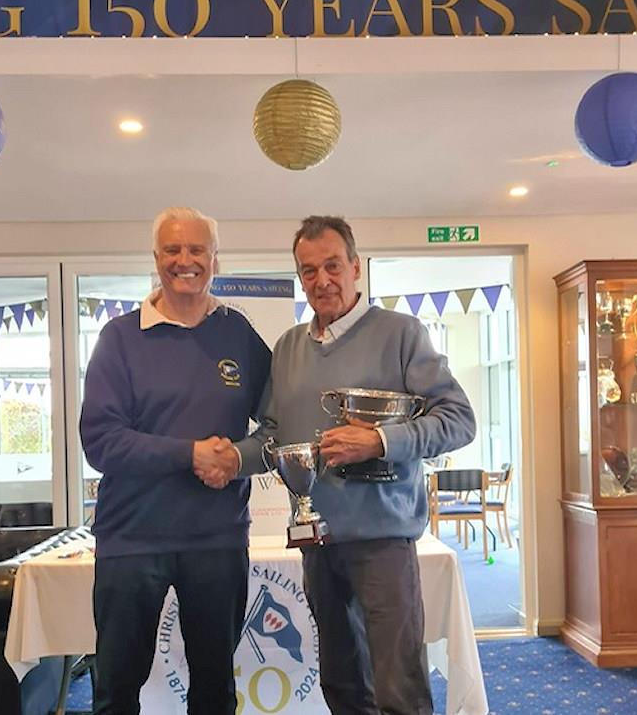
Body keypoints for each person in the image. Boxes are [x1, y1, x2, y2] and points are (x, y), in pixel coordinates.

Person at [235, 216, 476, 715]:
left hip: (383, 542)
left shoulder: (402, 334)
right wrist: (228, 458)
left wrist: (380, 441)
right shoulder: (287, 349)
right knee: (341, 684)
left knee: (398, 686)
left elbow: (460, 420)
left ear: (356, 267)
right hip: (317, 544)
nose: (321, 280)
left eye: (332, 266)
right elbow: (274, 438)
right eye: (308, 271)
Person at [80, 206, 270, 715]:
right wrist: (189, 454)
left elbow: (278, 428)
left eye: (196, 249)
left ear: (215, 258)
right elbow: (100, 442)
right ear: (156, 258)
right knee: (116, 690)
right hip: (131, 541)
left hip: (217, 539)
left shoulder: (240, 335)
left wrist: (237, 457)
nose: (185, 260)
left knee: (215, 690)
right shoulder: (118, 339)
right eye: (172, 250)